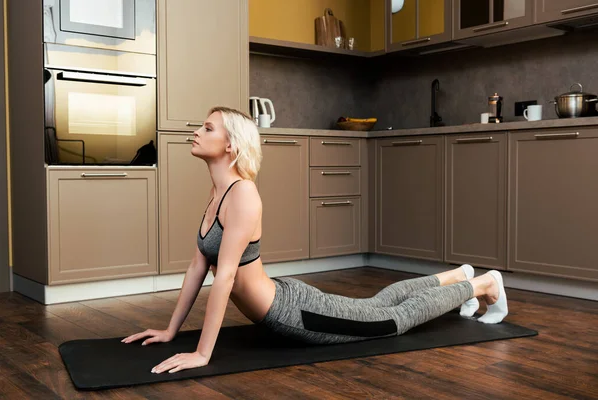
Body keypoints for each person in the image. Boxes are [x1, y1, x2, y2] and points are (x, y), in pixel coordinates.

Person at [121, 106, 509, 374]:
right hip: (285, 298)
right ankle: (457, 275)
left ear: (230, 145)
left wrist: (202, 353)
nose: (196, 131)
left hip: (296, 315)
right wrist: (171, 331)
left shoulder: (242, 194)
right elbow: (197, 267)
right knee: (375, 306)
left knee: (392, 319)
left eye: (208, 128)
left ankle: (482, 284)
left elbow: (223, 279)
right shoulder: (217, 193)